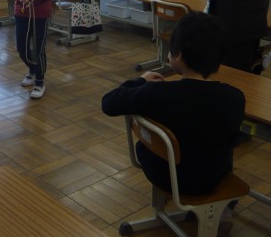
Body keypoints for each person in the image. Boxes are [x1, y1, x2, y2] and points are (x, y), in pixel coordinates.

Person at [102, 12, 245, 196]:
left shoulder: (156, 92)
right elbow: (232, 139)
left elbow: (109, 102)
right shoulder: (235, 98)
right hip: (210, 180)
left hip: (161, 174)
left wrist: (141, 80)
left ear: (178, 55)